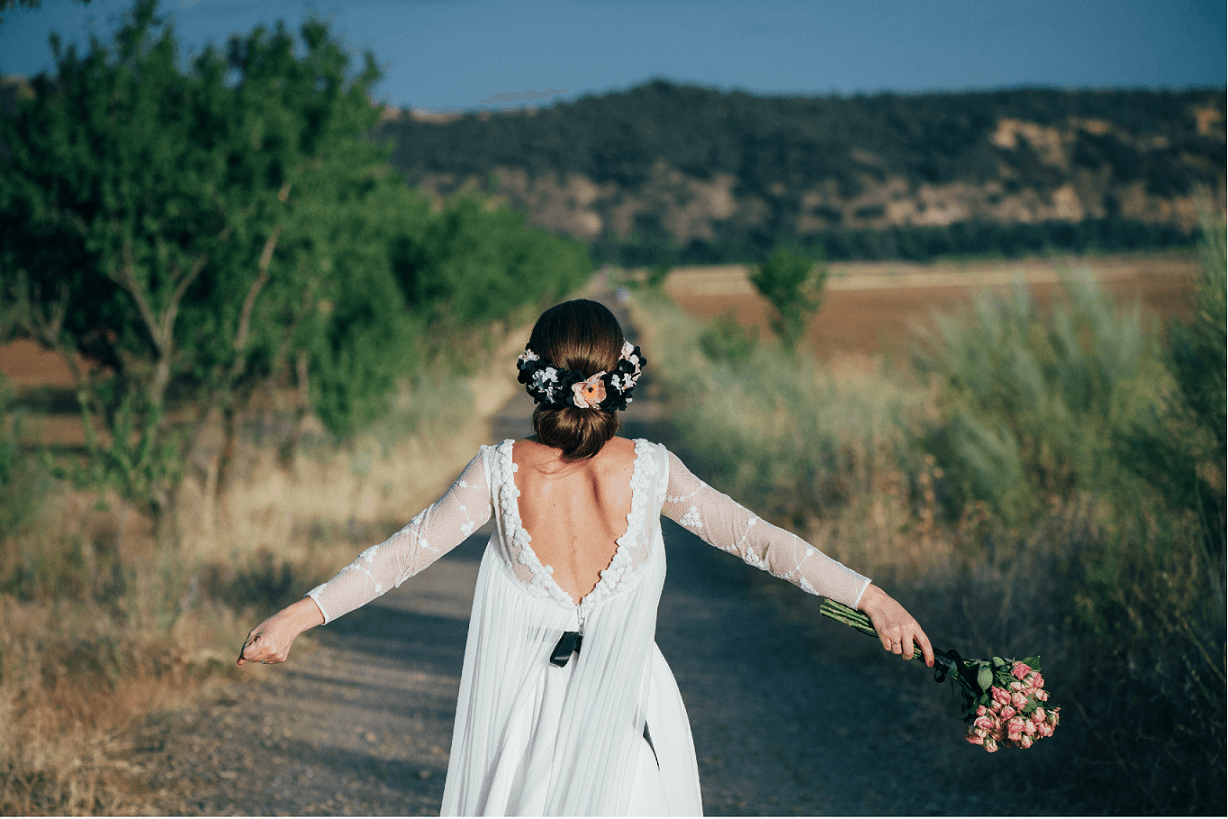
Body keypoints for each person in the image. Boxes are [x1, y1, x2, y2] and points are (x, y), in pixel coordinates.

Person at [238, 298, 933, 816]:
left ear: (536, 376)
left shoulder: (499, 469)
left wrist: (296, 617)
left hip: (525, 718)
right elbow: (764, 540)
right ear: (618, 376)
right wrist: (873, 597)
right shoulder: (654, 470)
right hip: (632, 708)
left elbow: (398, 556)